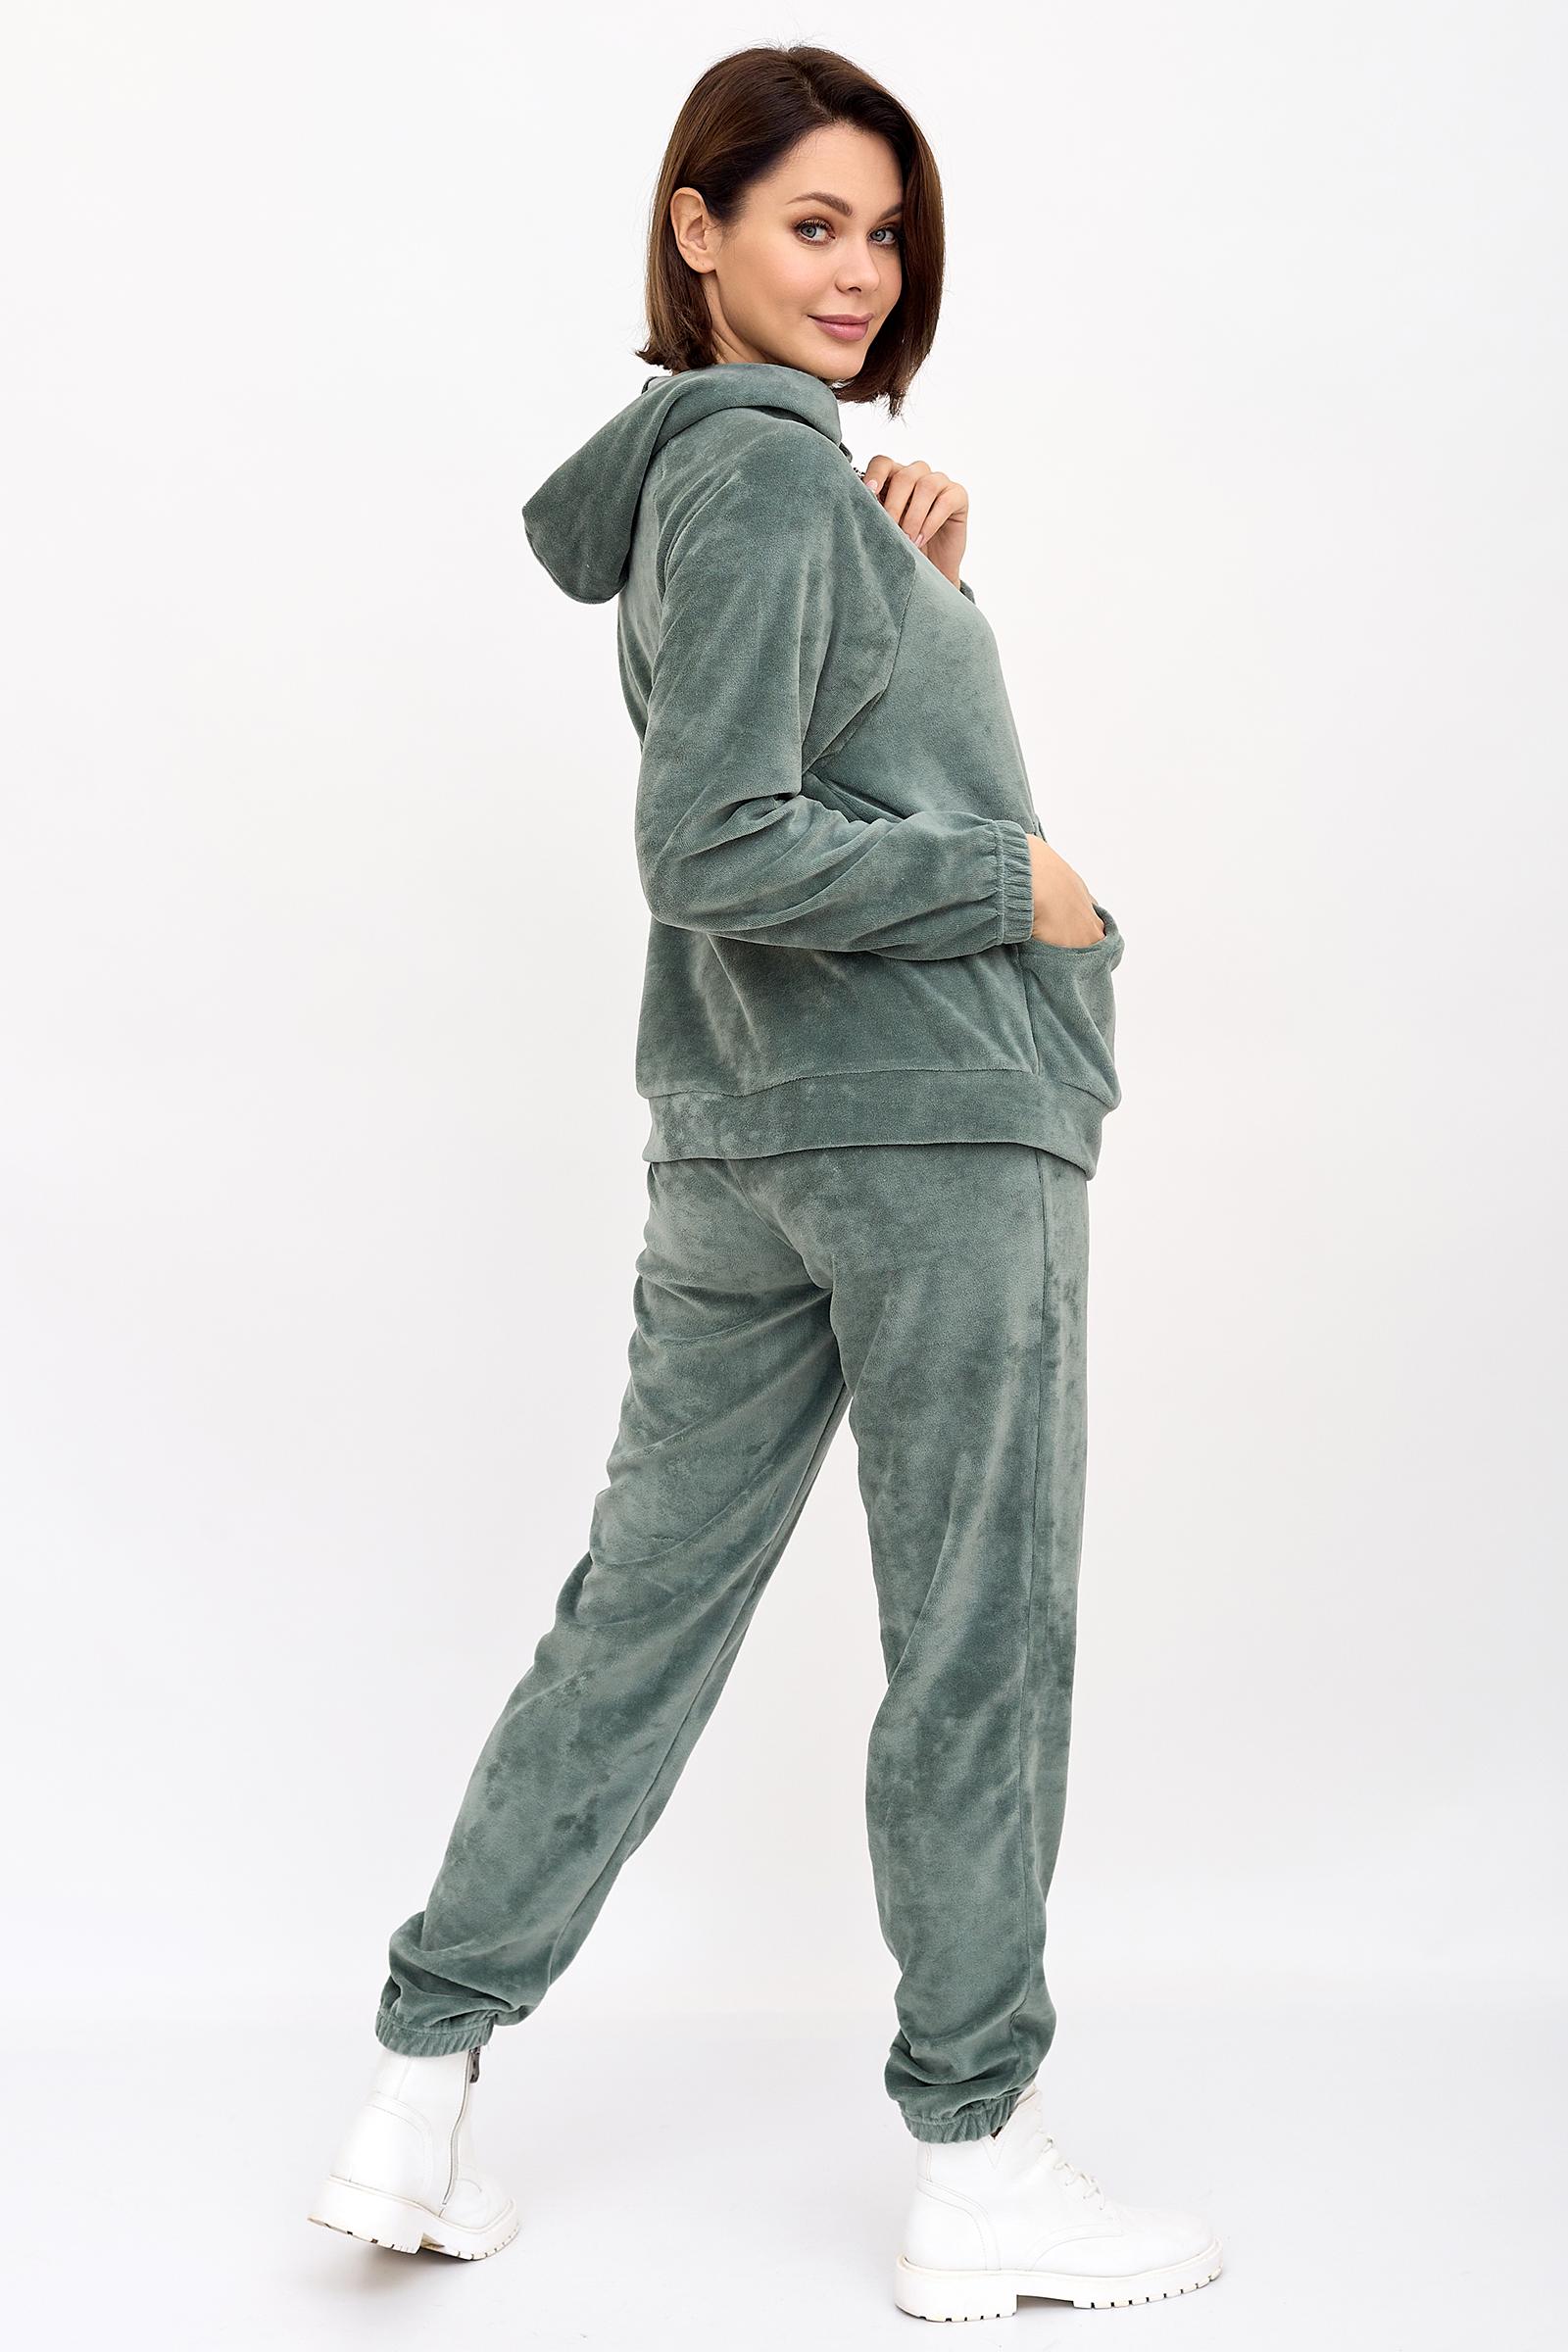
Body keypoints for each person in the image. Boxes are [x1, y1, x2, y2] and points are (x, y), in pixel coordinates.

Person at [308, 41, 1222, 2320]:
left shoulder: (744, 482)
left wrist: (912, 586)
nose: (858, 270)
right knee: (977, 1636)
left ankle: (415, 2092)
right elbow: (714, 844)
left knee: (633, 1619)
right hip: (924, 1131)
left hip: (745, 1141)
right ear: (694, 227)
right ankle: (981, 2166)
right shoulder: (754, 469)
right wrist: (1017, 884)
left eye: (883, 231)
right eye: (810, 222)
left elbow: (785, 758)